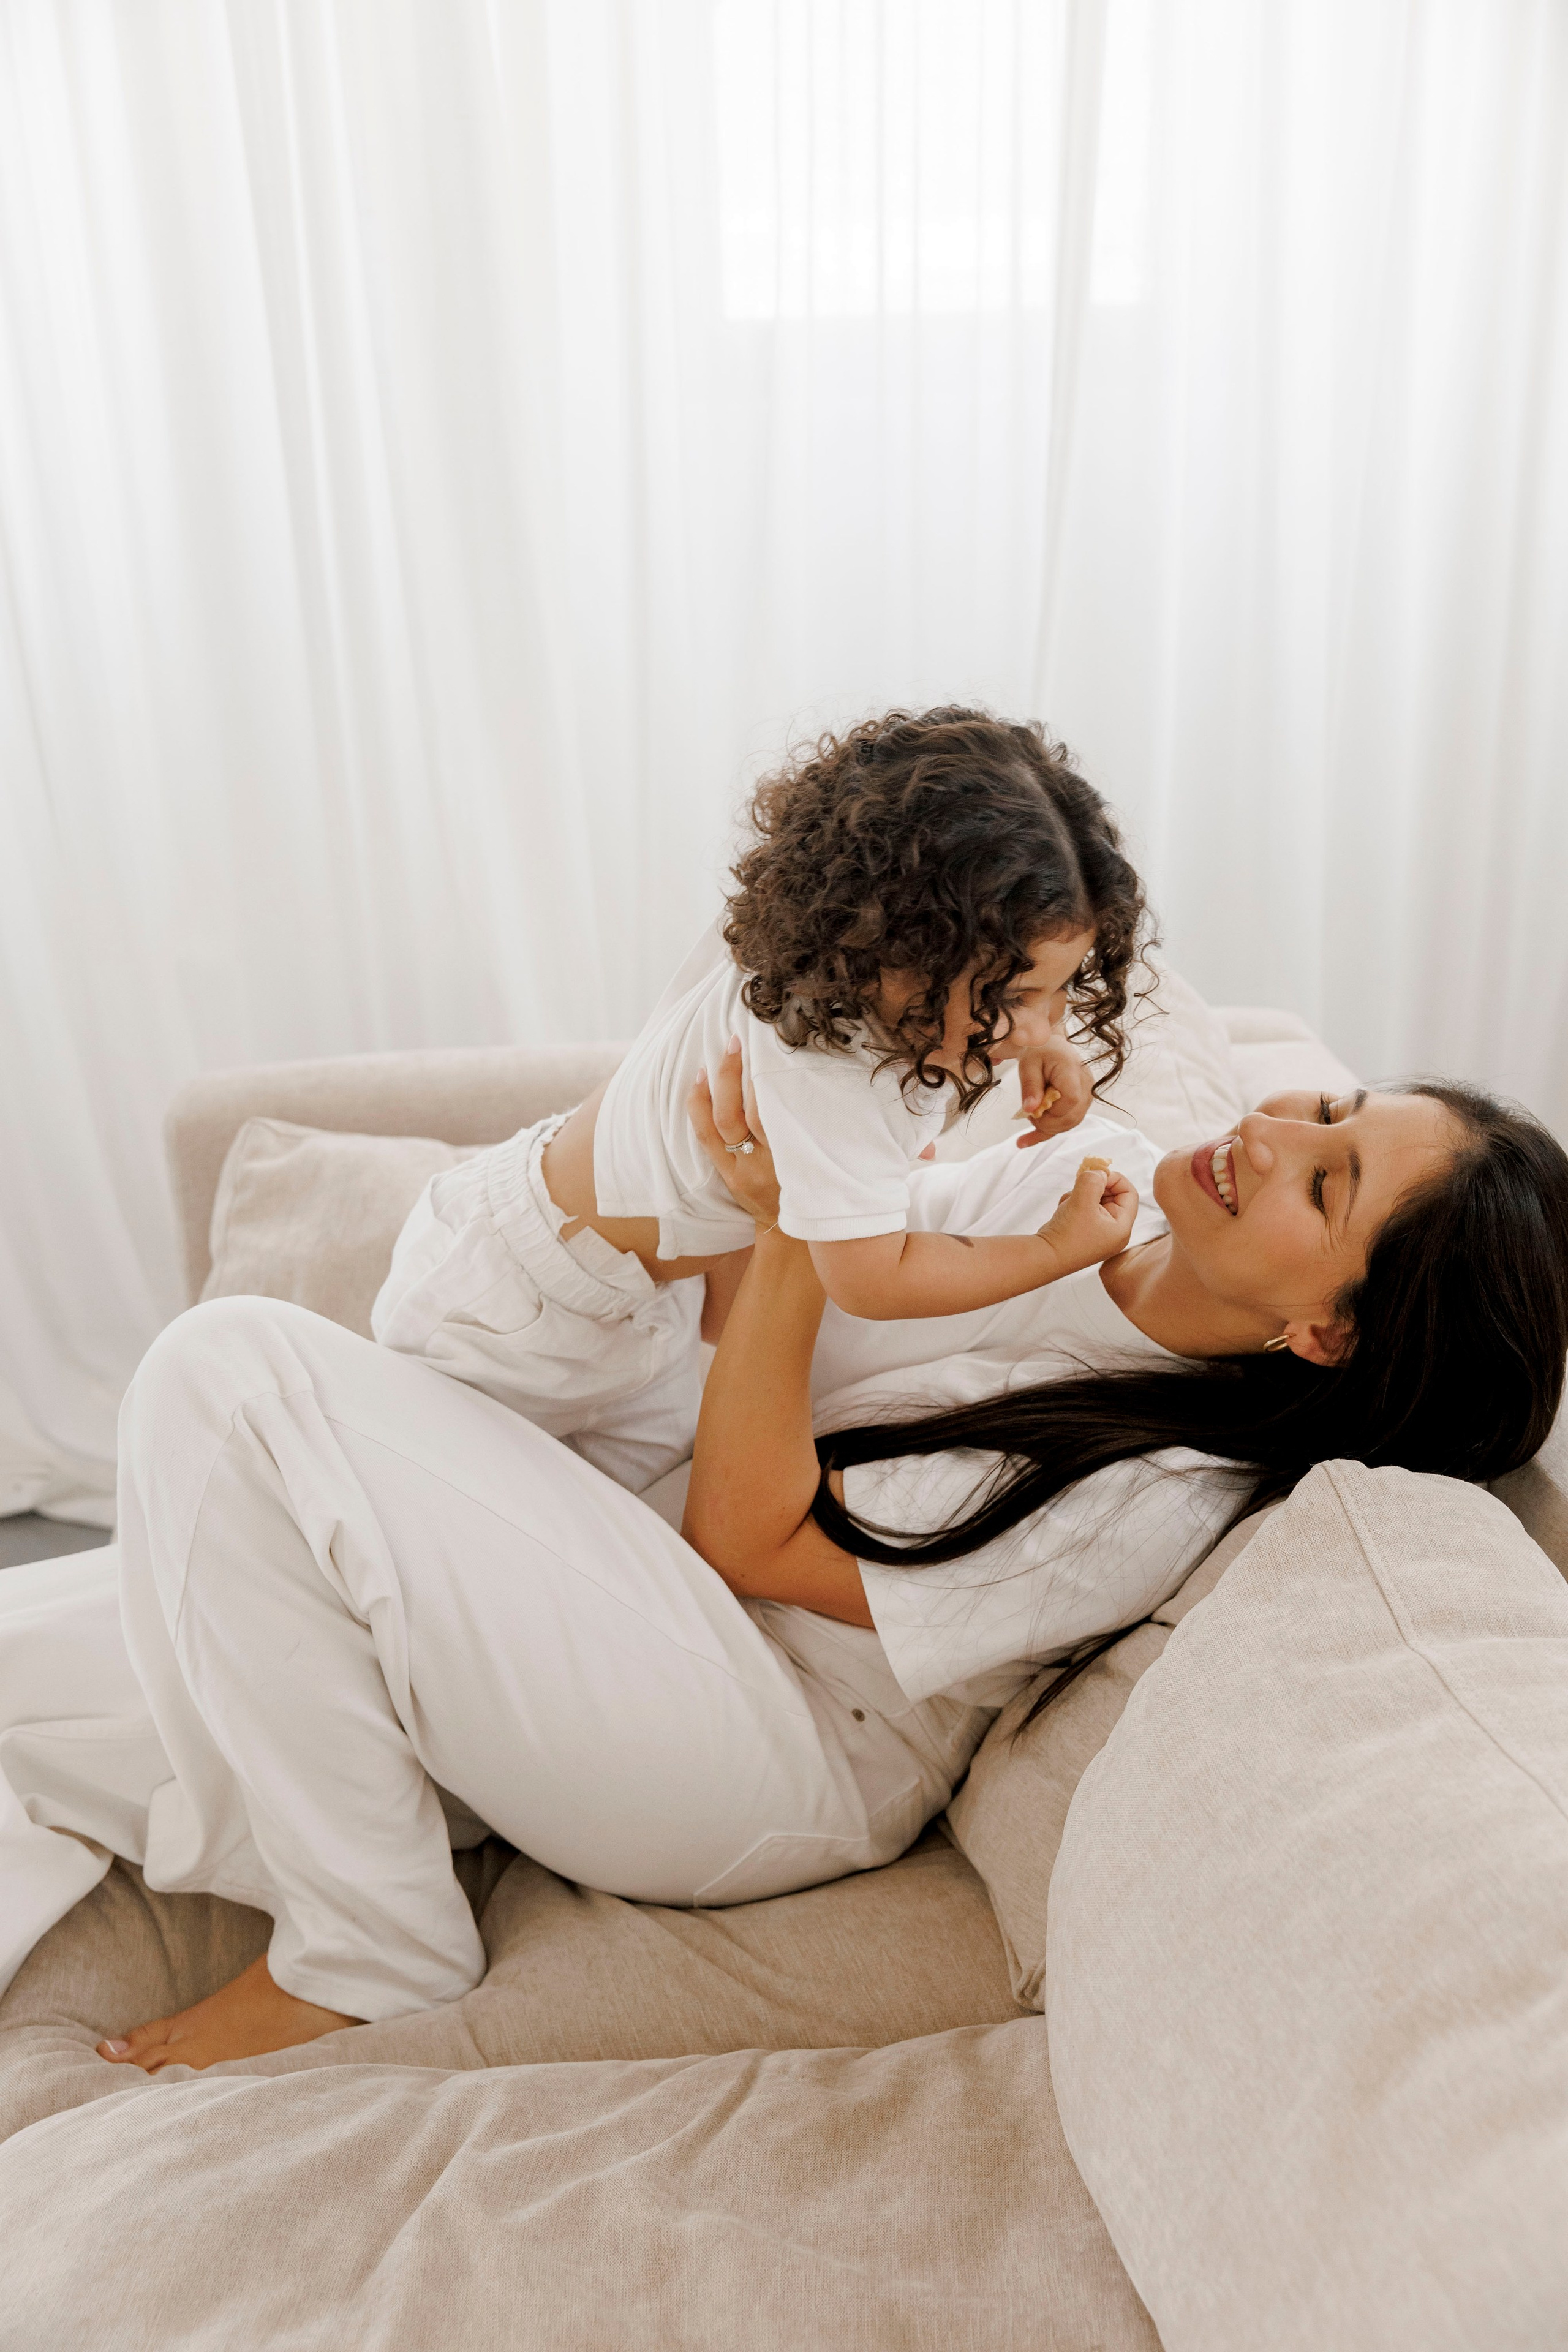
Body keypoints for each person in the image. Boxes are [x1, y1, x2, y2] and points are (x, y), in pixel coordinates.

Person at [1, 1060, 1563, 2078]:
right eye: (1332, 1111)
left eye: (1324, 1183)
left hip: (761, 1733)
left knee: (231, 1376)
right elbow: (764, 1282)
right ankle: (360, 1827)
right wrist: (839, 1123)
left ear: (1326, 1331)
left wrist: (798, 1227)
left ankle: (372, 1949)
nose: (1273, 1133)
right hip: (629, 1573)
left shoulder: (1154, 1487)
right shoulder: (1080, 1174)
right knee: (50, 1654)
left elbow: (748, 1534)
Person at [370, 709, 1150, 1493]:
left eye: (1059, 994)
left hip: (649, 1306)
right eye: (1018, 995)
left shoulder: (809, 935)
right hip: (513, 1305)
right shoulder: (822, 1071)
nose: (1042, 1026)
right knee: (433, 1516)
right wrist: (1055, 1250)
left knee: (631, 1535)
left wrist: (1039, 1035)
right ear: (899, 953)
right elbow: (874, 1281)